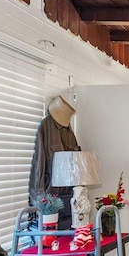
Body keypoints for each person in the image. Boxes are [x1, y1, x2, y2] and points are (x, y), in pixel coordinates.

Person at [28, 96, 81, 229]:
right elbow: (39, 163)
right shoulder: (45, 128)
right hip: (51, 199)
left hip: (69, 198)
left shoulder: (70, 133)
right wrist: (39, 199)